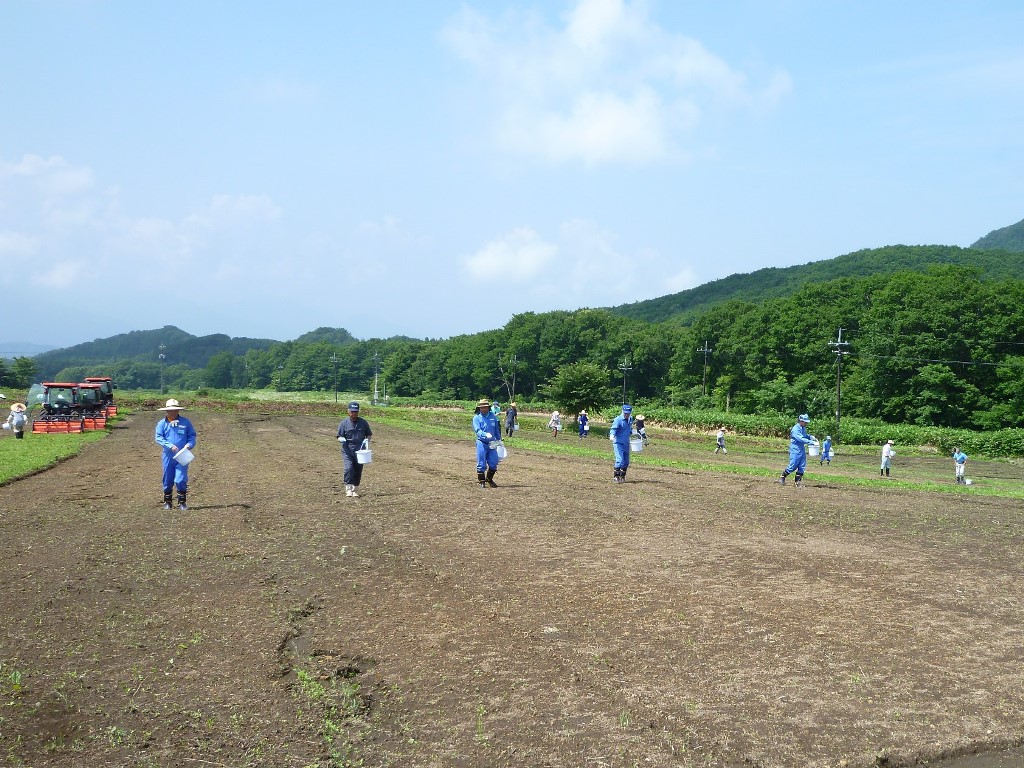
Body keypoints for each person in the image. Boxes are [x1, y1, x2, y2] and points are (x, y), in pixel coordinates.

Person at [155, 398, 197, 510]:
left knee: (180, 478)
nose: (173, 412)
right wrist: (169, 445)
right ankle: (167, 501)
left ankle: (182, 501)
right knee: (168, 478)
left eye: (175, 410)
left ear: (178, 411)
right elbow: (158, 437)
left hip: (182, 454)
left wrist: (189, 445)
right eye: (171, 410)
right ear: (167, 411)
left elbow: (192, 436)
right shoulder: (161, 424)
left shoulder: (186, 422)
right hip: (168, 455)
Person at [337, 401, 373, 497]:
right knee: (349, 468)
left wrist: (367, 440)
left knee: (358, 469)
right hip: (347, 450)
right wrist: (341, 439)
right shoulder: (344, 423)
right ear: (348, 411)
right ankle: (348, 488)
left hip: (360, 451)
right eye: (352, 412)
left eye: (356, 412)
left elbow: (369, 434)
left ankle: (355, 489)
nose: (354, 414)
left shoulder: (363, 423)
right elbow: (339, 435)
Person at [779, 413, 816, 487]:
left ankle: (798, 482)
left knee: (802, 465)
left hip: (801, 449)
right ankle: (782, 477)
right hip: (795, 449)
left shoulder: (803, 428)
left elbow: (804, 436)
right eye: (805, 422)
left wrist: (810, 437)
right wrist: (811, 442)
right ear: (801, 421)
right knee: (793, 465)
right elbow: (800, 438)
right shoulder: (795, 429)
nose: (806, 424)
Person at [473, 397, 502, 488]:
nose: (483, 409)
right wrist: (485, 434)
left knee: (494, 462)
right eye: (482, 407)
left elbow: (496, 429)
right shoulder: (476, 418)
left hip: (492, 443)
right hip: (482, 442)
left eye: (485, 407)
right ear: (479, 408)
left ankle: (489, 479)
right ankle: (482, 481)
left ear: (488, 408)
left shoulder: (493, 416)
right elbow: (478, 430)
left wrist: (499, 440)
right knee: (481, 463)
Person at [609, 404, 634, 483]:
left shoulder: (630, 419)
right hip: (618, 442)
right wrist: (612, 435)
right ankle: (616, 476)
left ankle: (622, 476)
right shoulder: (618, 419)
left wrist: (632, 432)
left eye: (628, 413)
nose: (626, 415)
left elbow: (629, 428)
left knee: (626, 461)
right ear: (622, 411)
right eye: (625, 413)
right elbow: (613, 428)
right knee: (619, 460)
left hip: (626, 442)